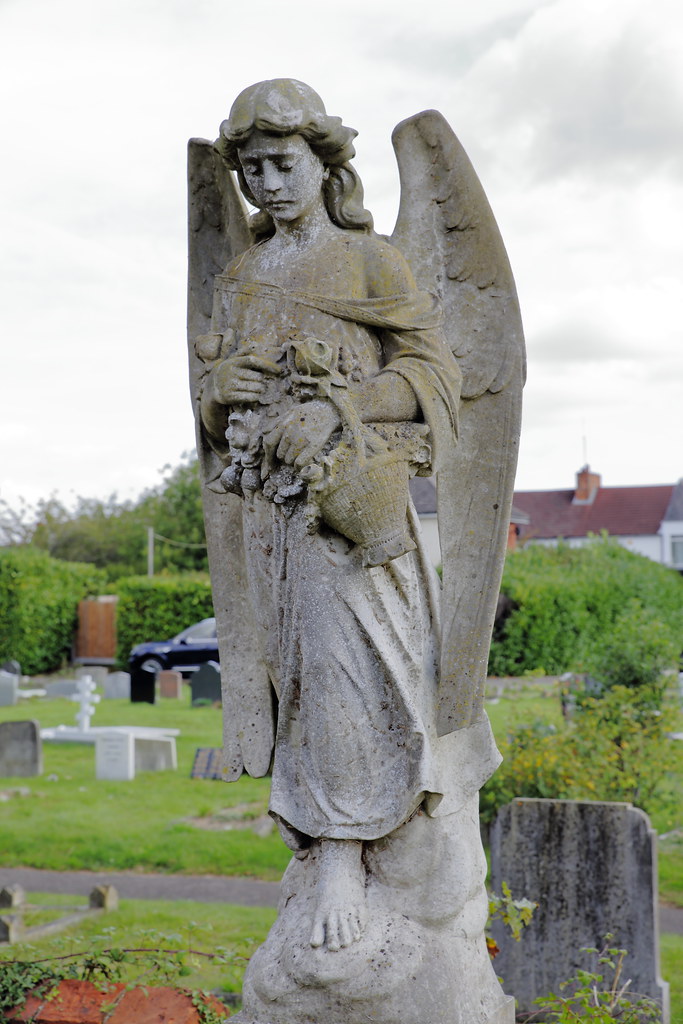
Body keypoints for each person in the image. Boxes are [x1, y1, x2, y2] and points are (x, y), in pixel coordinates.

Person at [198, 79, 462, 953]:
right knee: (301, 680)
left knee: (355, 675)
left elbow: (435, 379)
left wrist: (339, 408)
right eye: (251, 170)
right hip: (269, 516)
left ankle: (351, 847)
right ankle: (320, 845)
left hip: (351, 509)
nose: (267, 184)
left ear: (323, 162)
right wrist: (215, 394)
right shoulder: (241, 277)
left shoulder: (369, 262)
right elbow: (219, 409)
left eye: (283, 163)